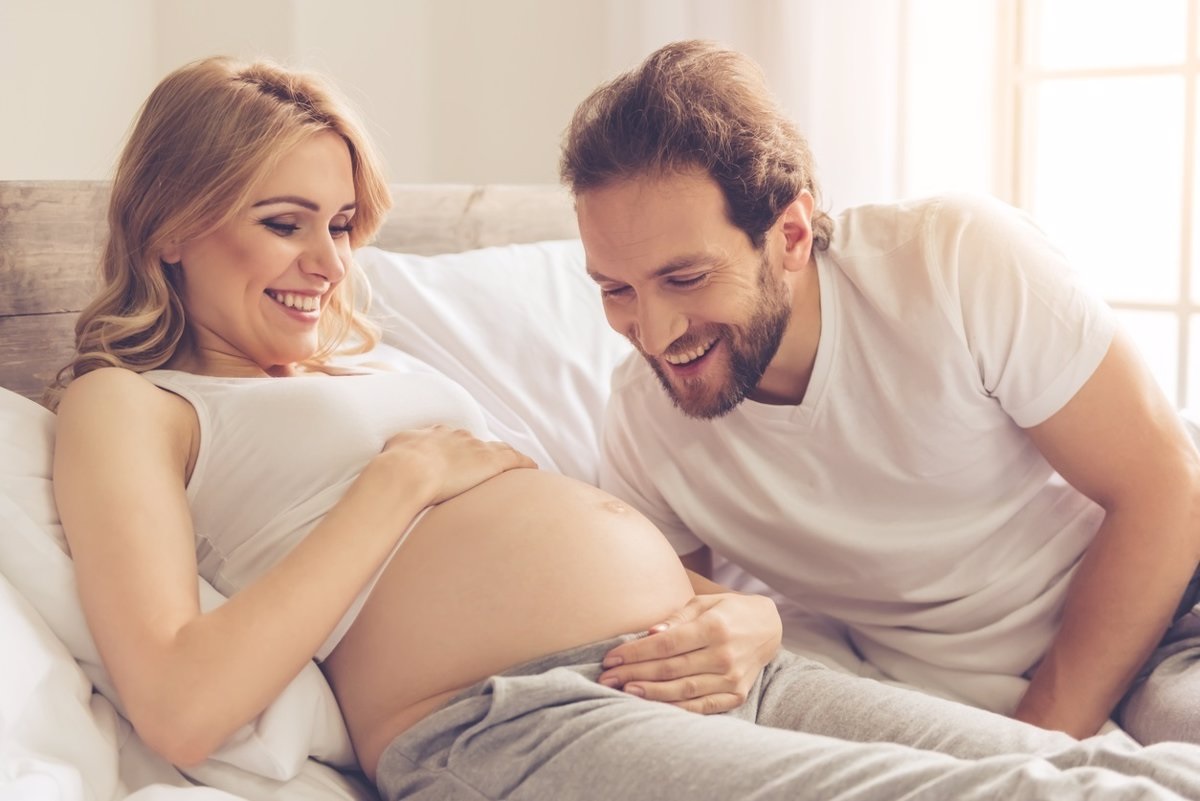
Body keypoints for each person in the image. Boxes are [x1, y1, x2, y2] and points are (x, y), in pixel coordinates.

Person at [48, 54, 1200, 801]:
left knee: (1096, 773)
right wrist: (396, 488)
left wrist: (738, 616)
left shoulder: (366, 349)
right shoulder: (130, 401)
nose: (331, 264)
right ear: (173, 225)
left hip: (699, 669)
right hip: (508, 720)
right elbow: (182, 705)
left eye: (344, 224)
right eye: (286, 222)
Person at [559, 38, 1200, 747]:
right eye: (616, 290)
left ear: (791, 235)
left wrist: (1036, 747)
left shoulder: (955, 261)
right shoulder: (646, 422)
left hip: (1172, 604)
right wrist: (752, 617)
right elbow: (671, 610)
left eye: (686, 279)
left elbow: (1167, 486)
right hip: (945, 685)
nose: (652, 331)